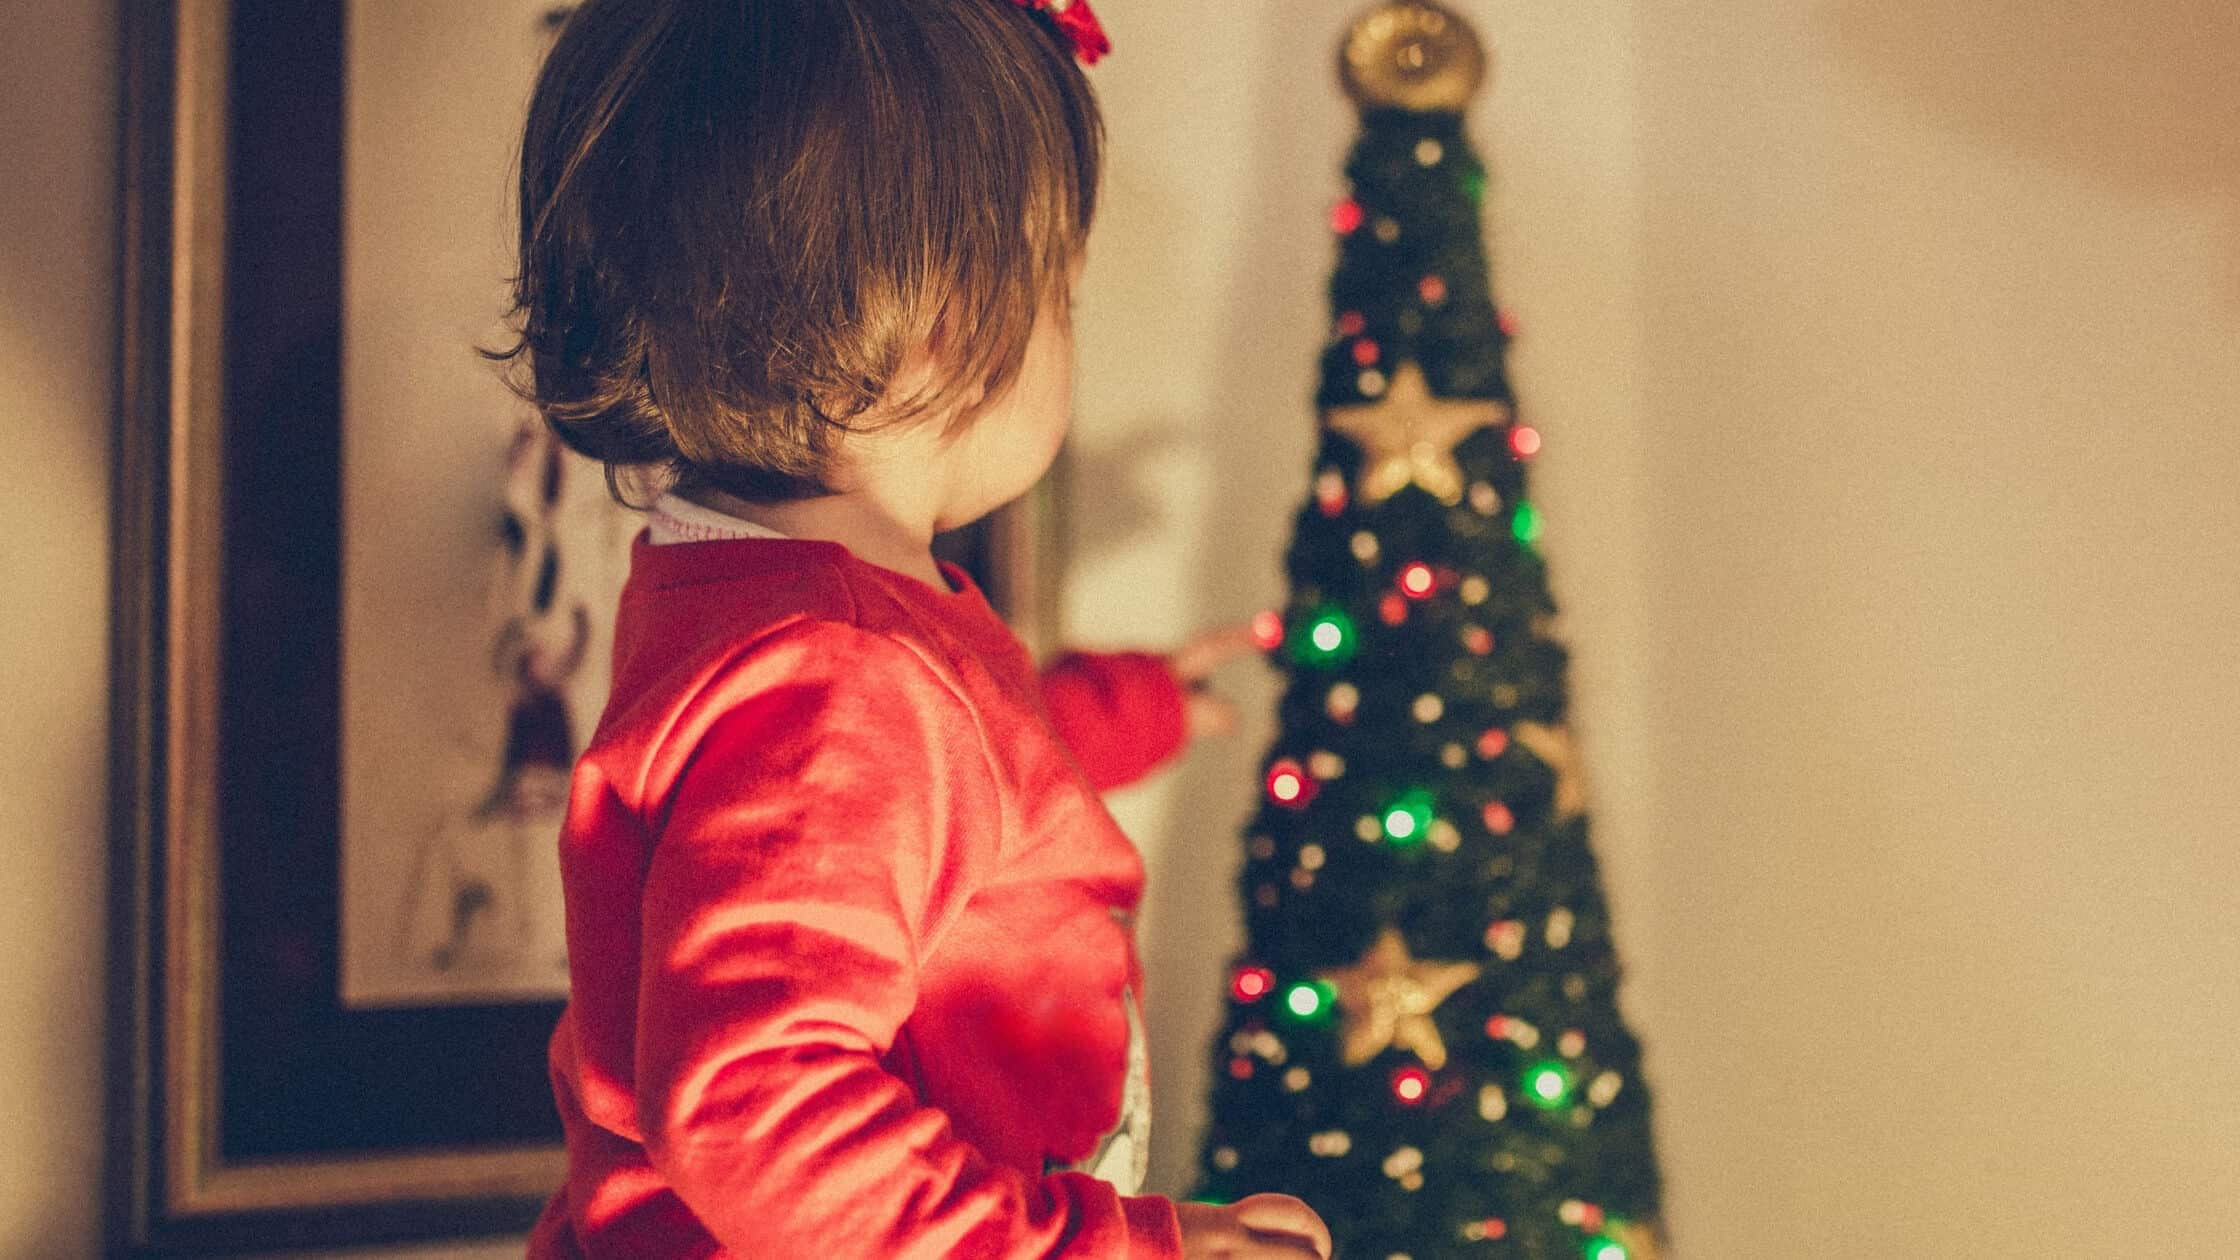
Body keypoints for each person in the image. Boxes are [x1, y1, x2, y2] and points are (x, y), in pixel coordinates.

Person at [499, 2, 1332, 1256]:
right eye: (1059, 294)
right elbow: (757, 1105)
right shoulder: (842, 674)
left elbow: (905, 812)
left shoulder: (751, 601)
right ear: (943, 322)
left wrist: (1107, 719)